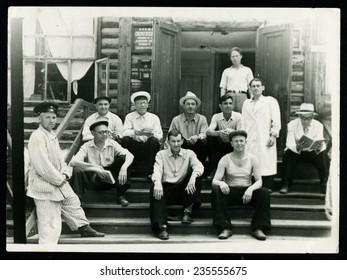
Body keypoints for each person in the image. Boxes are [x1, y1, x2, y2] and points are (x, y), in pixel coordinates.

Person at [26, 102, 104, 244]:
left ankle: (84, 228)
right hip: (45, 185)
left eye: (54, 117)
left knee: (72, 202)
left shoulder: (51, 135)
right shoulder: (37, 137)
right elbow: (43, 166)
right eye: (48, 117)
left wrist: (66, 173)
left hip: (59, 180)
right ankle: (47, 250)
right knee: (51, 224)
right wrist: (60, 180)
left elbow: (61, 159)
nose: (51, 121)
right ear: (39, 118)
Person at [211, 130, 271, 241]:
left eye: (241, 141)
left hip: (247, 193)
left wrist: (250, 189)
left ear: (245, 142)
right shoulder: (225, 159)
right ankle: (225, 228)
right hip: (230, 192)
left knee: (264, 192)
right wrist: (221, 182)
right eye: (236, 141)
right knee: (216, 191)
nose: (239, 143)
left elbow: (259, 181)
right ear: (231, 143)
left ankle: (258, 228)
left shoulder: (253, 159)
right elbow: (214, 181)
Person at [150, 129, 204, 240]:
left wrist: (193, 177)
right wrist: (157, 182)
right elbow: (157, 170)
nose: (176, 144)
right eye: (173, 141)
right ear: (168, 141)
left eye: (178, 141)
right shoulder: (161, 154)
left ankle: (187, 212)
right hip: (167, 190)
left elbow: (199, 166)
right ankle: (162, 227)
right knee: (154, 187)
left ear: (182, 141)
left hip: (183, 190)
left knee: (196, 175)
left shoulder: (189, 153)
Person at [70, 120, 134, 206]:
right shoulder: (86, 145)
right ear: (93, 133)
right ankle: (77, 200)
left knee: (123, 159)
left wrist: (124, 168)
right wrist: (94, 167)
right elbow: (73, 161)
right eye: (101, 132)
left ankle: (121, 195)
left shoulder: (112, 143)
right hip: (94, 177)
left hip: (110, 178)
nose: (104, 135)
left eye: (106, 132)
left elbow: (130, 155)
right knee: (77, 169)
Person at [241, 78, 281, 191]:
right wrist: (243, 138)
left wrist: (273, 135)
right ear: (250, 88)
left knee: (265, 162)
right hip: (249, 137)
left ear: (263, 87)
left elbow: (276, 120)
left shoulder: (270, 101)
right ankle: (252, 187)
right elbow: (243, 122)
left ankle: (267, 187)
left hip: (265, 136)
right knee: (251, 161)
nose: (256, 88)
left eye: (258, 86)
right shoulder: (246, 103)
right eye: (253, 86)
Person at [280, 103, 329, 194]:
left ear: (313, 117)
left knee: (324, 156)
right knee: (287, 155)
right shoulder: (291, 125)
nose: (306, 121)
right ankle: (286, 184)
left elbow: (321, 141)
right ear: (299, 116)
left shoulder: (318, 125)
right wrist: (297, 147)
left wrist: (319, 147)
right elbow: (289, 143)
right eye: (303, 118)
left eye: (309, 118)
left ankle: (324, 183)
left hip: (312, 152)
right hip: (297, 152)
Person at [122, 91, 163, 176]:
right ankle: (127, 171)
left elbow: (160, 135)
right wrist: (135, 132)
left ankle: (150, 172)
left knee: (154, 141)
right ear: (135, 105)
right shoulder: (129, 116)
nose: (143, 105)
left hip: (148, 146)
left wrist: (151, 134)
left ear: (148, 104)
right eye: (140, 103)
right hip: (134, 146)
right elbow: (124, 133)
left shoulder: (154, 118)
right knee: (125, 140)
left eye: (145, 103)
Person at [167, 91, 208, 166]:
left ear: (196, 106)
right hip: (182, 146)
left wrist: (197, 137)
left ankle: (199, 166)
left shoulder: (202, 119)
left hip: (197, 147)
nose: (190, 106)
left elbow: (204, 134)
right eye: (188, 104)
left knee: (203, 142)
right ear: (184, 106)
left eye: (193, 104)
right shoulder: (176, 120)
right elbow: (170, 136)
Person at [206, 94, 242, 175]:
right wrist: (219, 132)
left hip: (233, 145)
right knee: (210, 138)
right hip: (220, 146)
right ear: (220, 106)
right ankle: (214, 168)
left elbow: (241, 132)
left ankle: (237, 169)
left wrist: (232, 132)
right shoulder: (216, 116)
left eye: (230, 103)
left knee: (240, 140)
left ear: (233, 105)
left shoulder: (238, 116)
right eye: (225, 103)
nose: (228, 106)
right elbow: (208, 131)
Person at [219, 47, 254, 112]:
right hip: (230, 96)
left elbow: (250, 87)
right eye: (233, 56)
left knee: (243, 116)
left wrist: (252, 99)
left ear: (241, 56)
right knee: (229, 116)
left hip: (243, 96)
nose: (235, 58)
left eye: (236, 56)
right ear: (230, 58)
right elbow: (223, 88)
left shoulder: (247, 70)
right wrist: (223, 100)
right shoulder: (226, 71)